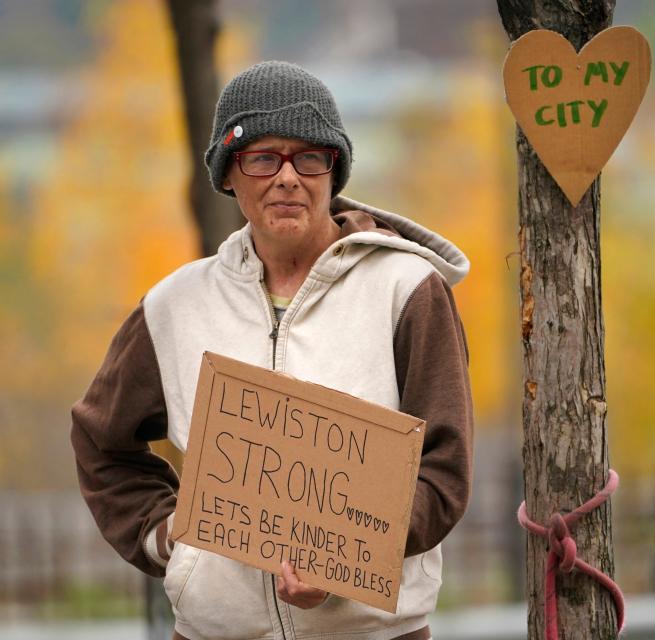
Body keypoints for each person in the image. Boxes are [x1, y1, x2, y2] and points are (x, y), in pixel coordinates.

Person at [71, 60, 473, 640]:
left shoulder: (406, 290)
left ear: (333, 172)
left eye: (309, 157)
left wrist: (348, 554)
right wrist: (168, 537)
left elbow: (444, 470)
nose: (287, 177)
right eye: (262, 158)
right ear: (228, 175)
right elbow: (99, 440)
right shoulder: (174, 306)